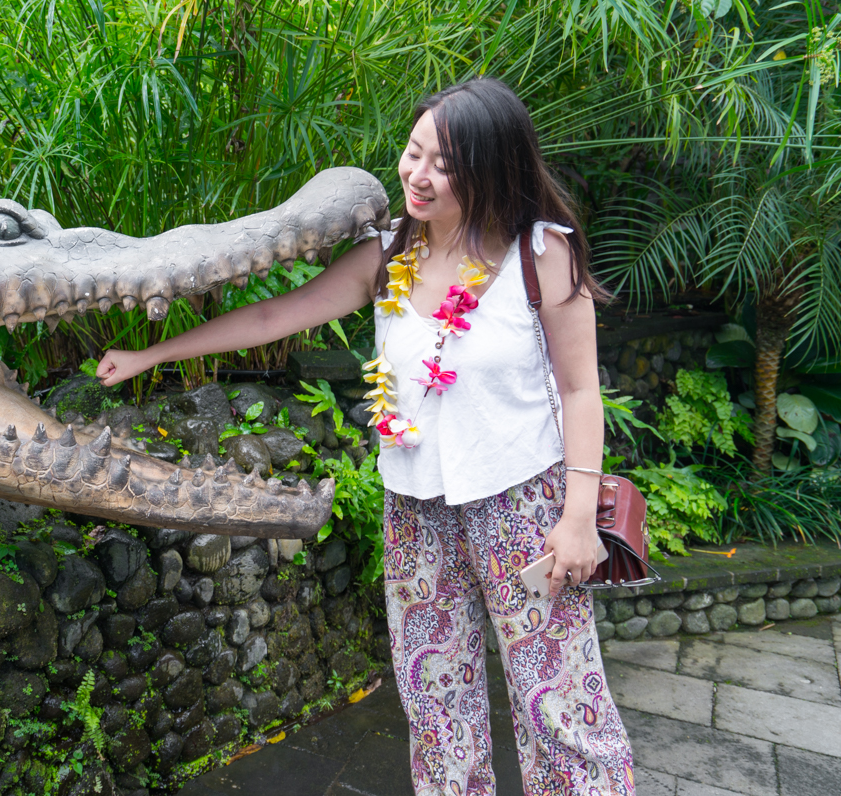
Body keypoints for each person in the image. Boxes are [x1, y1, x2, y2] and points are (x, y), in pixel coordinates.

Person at [97, 77, 636, 796]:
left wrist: (577, 519)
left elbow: (579, 390)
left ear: (492, 168)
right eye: (414, 153)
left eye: (445, 164)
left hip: (523, 509)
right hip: (415, 509)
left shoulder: (540, 254)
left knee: (557, 703)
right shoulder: (387, 255)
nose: (418, 175)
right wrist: (150, 354)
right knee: (438, 705)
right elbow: (271, 318)